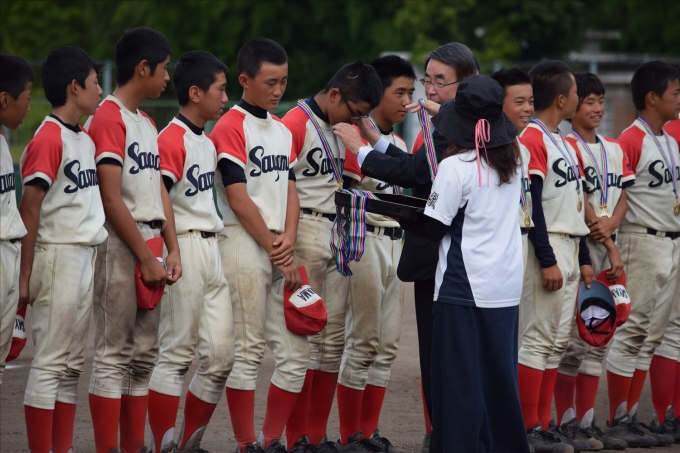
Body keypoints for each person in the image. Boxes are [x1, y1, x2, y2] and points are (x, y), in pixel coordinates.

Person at [379, 74, 528, 453]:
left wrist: (389, 210)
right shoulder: (516, 157)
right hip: (505, 285)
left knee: (459, 381)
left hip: (463, 286)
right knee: (499, 378)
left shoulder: (455, 166)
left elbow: (432, 228)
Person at [345, 43, 479, 452]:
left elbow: (415, 171)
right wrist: (377, 143)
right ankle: (442, 434)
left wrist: (361, 149)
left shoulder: (459, 128)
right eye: (427, 80)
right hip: (431, 254)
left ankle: (451, 436)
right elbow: (418, 170)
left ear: (466, 84)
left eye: (441, 81)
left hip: (452, 257)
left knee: (446, 355)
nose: (428, 91)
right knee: (416, 351)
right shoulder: (448, 126)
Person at [210, 38, 310, 453]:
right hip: (243, 240)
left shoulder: (283, 129)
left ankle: (270, 440)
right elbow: (238, 198)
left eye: (283, 81)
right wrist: (275, 248)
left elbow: (290, 189)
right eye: (270, 82)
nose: (278, 90)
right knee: (248, 349)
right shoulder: (230, 125)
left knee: (295, 353)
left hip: (277, 244)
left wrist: (289, 238)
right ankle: (246, 442)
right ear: (245, 80)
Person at [86, 27, 182, 453]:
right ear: (143, 68)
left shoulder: (146, 121)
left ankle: (132, 446)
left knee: (143, 356)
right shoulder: (108, 117)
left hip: (150, 243)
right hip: (120, 244)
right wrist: (144, 256)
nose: (167, 77)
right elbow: (110, 198)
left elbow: (158, 189)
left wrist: (172, 246)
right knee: (114, 354)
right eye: (163, 68)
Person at [280, 61, 382, 452]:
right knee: (305, 336)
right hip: (304, 225)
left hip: (335, 229)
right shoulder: (296, 122)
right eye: (354, 112)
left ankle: (317, 436)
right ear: (335, 94)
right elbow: (277, 184)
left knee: (332, 341)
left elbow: (351, 179)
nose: (356, 120)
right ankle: (295, 438)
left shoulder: (344, 129)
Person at [16, 47, 105, 453]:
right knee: (51, 362)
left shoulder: (83, 137)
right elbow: (30, 209)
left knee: (70, 366)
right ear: (74, 87)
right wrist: (24, 276)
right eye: (94, 82)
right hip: (57, 254)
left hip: (83, 253)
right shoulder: (49, 137)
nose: (100, 90)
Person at [147, 50, 234, 453]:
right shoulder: (171, 138)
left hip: (211, 248)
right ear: (195, 93)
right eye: (220, 89)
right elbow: (158, 195)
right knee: (177, 353)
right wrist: (171, 249)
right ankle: (163, 445)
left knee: (221, 358)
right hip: (183, 245)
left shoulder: (206, 141)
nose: (225, 98)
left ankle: (186, 445)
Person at [547, 72, 634, 450]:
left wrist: (613, 226)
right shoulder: (568, 146)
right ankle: (565, 421)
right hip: (583, 245)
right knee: (571, 339)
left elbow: (622, 196)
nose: (597, 108)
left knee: (600, 334)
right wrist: (608, 240)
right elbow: (580, 201)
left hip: (608, 242)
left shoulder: (613, 148)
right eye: (588, 101)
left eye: (600, 100)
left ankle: (585, 421)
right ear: (571, 104)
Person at [336, 54, 415, 453]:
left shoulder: (398, 144)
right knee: (363, 341)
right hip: (363, 239)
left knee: (386, 346)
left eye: (411, 92)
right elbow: (345, 196)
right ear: (377, 93)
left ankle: (369, 432)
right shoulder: (354, 137)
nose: (407, 101)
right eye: (399, 92)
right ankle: (350, 435)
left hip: (394, 241)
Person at [604, 61, 680, 447]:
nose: (679, 99)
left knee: (653, 335)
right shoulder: (630, 141)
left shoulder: (669, 140)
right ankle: (619, 417)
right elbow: (615, 194)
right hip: (641, 239)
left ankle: (632, 416)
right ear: (652, 98)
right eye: (675, 93)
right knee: (632, 330)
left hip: (671, 240)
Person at [518, 60, 592, 453]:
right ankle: (526, 428)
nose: (580, 97)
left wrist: (583, 256)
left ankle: (543, 425)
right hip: (546, 247)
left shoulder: (562, 140)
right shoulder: (533, 138)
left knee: (556, 341)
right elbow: (532, 204)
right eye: (576, 92)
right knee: (538, 339)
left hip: (570, 243)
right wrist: (546, 258)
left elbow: (575, 204)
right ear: (562, 99)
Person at [0, 53, 32, 384]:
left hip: (10, 253)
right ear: (5, 99)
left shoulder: (2, 140)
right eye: (27, 97)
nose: (28, 107)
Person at [490, 67, 535, 260]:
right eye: (519, 102)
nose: (528, 108)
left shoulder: (521, 147)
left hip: (523, 238)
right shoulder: (488, 147)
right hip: (499, 243)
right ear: (498, 104)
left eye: (531, 102)